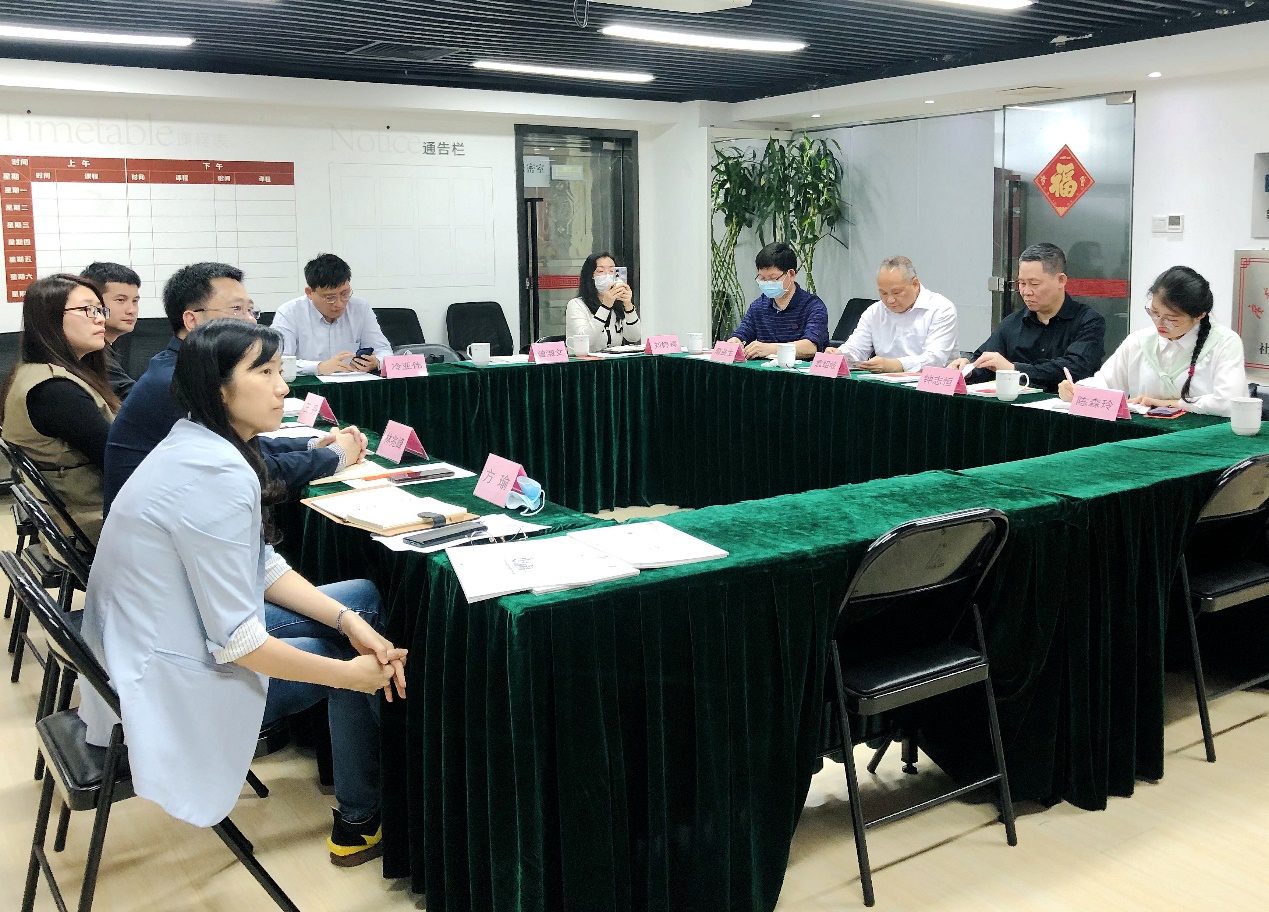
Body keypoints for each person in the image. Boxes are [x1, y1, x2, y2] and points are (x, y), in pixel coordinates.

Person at [78, 320, 406, 864]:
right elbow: (238, 642)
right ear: (219, 389)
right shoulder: (216, 474)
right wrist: (352, 674)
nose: (283, 386)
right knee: (344, 661)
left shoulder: (199, 441)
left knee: (359, 605)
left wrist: (347, 621)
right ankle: (361, 819)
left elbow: (261, 564)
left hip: (147, 643)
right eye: (265, 372)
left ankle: (355, 791)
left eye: (279, 370)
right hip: (160, 684)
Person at [102, 262, 366, 513]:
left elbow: (240, 444)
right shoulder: (177, 381)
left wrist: (313, 444)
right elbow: (247, 469)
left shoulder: (183, 366)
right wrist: (336, 455)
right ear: (192, 321)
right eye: (237, 310)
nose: (251, 321)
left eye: (251, 310)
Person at [1, 274, 119, 543]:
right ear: (50, 319)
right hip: (93, 524)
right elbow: (119, 461)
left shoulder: (33, 372)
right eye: (88, 309)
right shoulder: (55, 391)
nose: (100, 319)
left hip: (82, 515)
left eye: (100, 310)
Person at [1058, 265, 1247, 416]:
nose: (1159, 323)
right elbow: (1106, 382)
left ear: (1199, 316)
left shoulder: (1224, 343)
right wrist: (1078, 390)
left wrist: (1169, 404)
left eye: (1171, 319)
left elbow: (1228, 402)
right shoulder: (1140, 341)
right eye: (1154, 312)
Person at [950, 243, 1105, 391]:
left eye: (1034, 284)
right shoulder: (1013, 322)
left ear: (1061, 280)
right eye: (1022, 283)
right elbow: (986, 362)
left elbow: (1076, 368)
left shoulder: (1088, 321)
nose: (1026, 292)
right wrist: (968, 369)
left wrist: (1013, 369)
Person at [826, 255, 958, 372]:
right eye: (883, 293)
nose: (890, 300)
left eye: (896, 292)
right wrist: (840, 354)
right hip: (885, 381)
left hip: (930, 386)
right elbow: (857, 348)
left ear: (915, 284)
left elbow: (935, 359)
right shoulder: (874, 312)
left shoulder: (940, 309)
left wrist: (896, 365)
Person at [272, 254, 391, 376]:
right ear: (310, 293)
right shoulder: (289, 313)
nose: (339, 304)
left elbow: (384, 350)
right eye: (330, 297)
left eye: (344, 294)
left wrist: (376, 362)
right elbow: (277, 362)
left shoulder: (360, 308)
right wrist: (319, 367)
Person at [728, 242, 829, 359]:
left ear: (791, 274)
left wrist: (770, 349)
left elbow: (811, 346)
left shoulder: (813, 306)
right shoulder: (758, 306)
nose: (767, 283)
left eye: (773, 278)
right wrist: (735, 340)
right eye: (762, 278)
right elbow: (744, 331)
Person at [80, 262, 141, 399]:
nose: (131, 310)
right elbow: (135, 398)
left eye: (135, 301)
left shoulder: (105, 348)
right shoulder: (90, 354)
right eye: (120, 300)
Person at [565, 252, 641, 351]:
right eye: (600, 271)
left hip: (613, 359)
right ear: (590, 277)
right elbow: (584, 341)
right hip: (585, 360)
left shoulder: (618, 304)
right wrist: (605, 307)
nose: (607, 275)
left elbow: (634, 337)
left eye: (612, 271)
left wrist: (628, 306)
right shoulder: (576, 304)